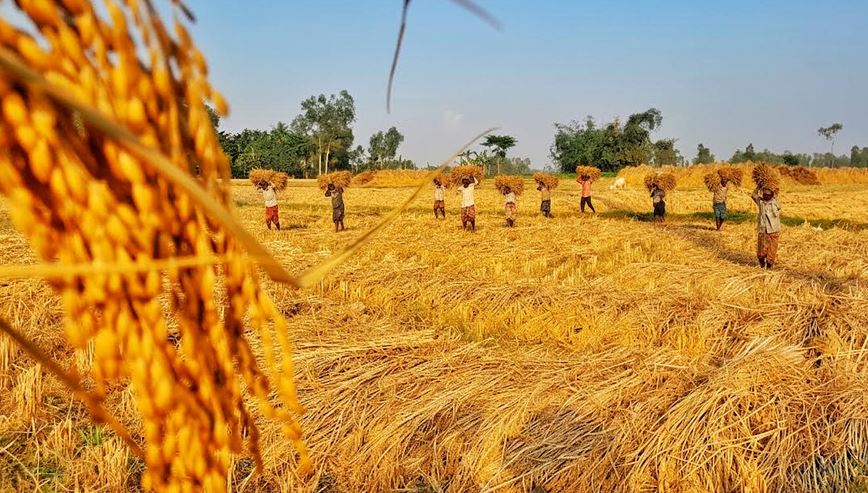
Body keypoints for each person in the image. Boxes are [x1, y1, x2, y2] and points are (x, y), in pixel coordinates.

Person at [752, 187, 781, 269]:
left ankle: (769, 267)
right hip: (763, 230)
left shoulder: (775, 202)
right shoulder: (760, 202)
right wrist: (759, 186)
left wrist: (773, 188)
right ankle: (761, 265)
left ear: (771, 195)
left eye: (768, 195)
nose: (766, 196)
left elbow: (778, 203)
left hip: (773, 230)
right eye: (764, 194)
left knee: (772, 251)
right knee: (761, 252)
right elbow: (753, 195)